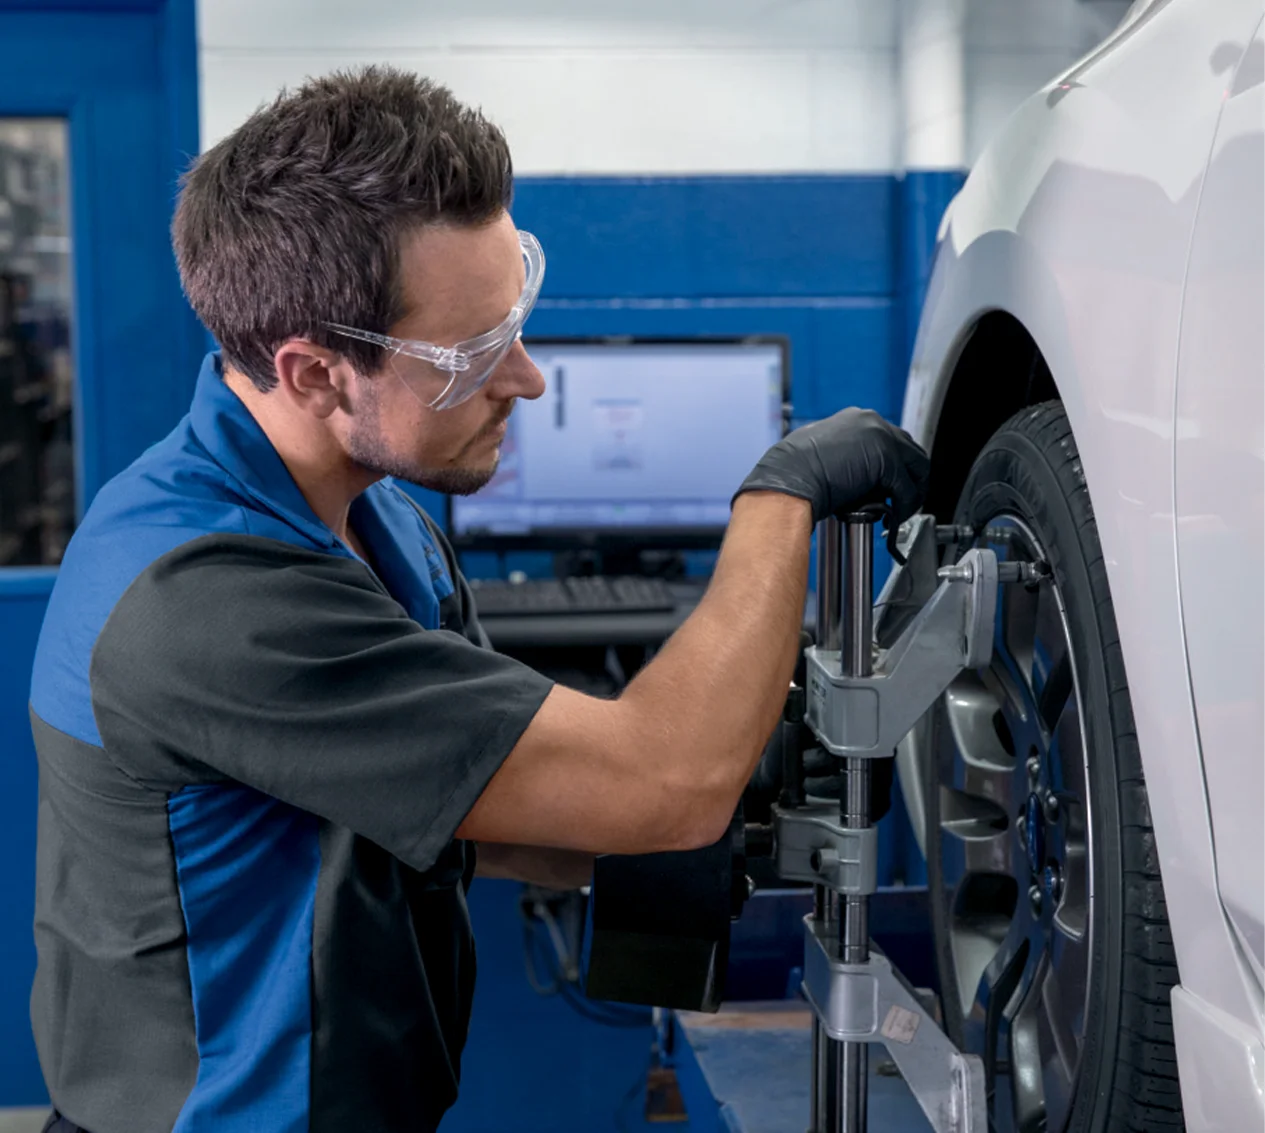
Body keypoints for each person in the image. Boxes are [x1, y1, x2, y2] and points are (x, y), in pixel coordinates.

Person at [27, 66, 928, 1133]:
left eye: (514, 317)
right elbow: (666, 781)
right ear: (312, 373)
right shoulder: (207, 597)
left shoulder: (377, 514)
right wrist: (779, 497)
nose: (528, 378)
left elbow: (464, 800)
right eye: (468, 353)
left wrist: (728, 816)